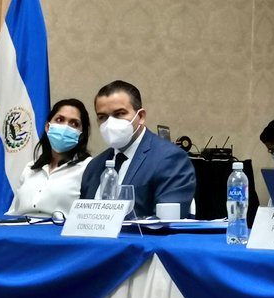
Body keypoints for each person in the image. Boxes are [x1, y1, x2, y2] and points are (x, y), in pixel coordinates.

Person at [79, 80, 196, 217]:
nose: (110, 123)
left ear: (140, 116)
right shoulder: (94, 166)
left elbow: (166, 222)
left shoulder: (170, 159)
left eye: (119, 114)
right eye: (102, 117)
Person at [8, 98, 92, 216]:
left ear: (81, 134)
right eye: (60, 120)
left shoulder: (88, 167)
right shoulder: (30, 167)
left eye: (74, 123)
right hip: (22, 226)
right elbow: (14, 212)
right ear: (48, 127)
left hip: (60, 227)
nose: (65, 127)